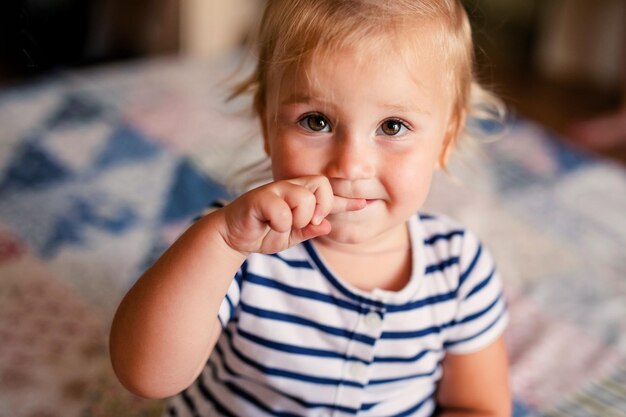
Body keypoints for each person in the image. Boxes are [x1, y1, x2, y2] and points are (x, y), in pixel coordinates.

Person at [109, 1, 511, 416]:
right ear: (267, 126)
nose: (351, 165)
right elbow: (146, 377)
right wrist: (222, 243)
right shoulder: (239, 246)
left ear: (444, 140)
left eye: (392, 126)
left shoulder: (459, 269)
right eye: (316, 121)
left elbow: (478, 406)